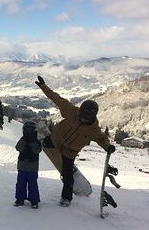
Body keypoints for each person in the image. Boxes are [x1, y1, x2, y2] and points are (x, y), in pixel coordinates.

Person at [35, 75, 115, 207]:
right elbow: (56, 98)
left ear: (92, 116)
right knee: (42, 144)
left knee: (67, 177)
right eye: (81, 115)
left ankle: (66, 198)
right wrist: (44, 87)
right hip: (54, 139)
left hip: (69, 152)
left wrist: (108, 147)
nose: (82, 119)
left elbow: (101, 139)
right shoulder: (72, 111)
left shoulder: (93, 130)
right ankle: (43, 141)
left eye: (85, 117)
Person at [14, 120, 42, 209]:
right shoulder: (23, 139)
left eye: (30, 130)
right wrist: (25, 140)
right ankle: (20, 199)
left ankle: (34, 200)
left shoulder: (37, 141)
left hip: (32, 167)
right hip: (22, 166)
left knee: (32, 184)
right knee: (20, 183)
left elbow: (37, 150)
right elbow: (18, 148)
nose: (28, 132)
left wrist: (32, 141)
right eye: (27, 130)